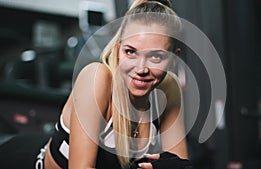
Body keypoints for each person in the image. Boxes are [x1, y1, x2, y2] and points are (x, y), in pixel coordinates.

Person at [35, 0, 193, 168]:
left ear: (174, 59)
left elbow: (178, 165)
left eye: (156, 57)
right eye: (130, 52)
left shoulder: (168, 89)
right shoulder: (96, 78)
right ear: (118, 48)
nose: (141, 69)